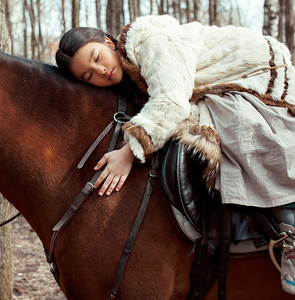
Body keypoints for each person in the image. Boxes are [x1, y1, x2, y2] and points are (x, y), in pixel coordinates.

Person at [56, 15, 295, 293]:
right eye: (89, 75)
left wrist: (130, 152)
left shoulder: (150, 42)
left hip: (255, 73)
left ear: (108, 42)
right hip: (219, 81)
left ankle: (289, 235)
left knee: (236, 126)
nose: (100, 71)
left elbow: (171, 101)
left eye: (97, 57)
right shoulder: (129, 67)